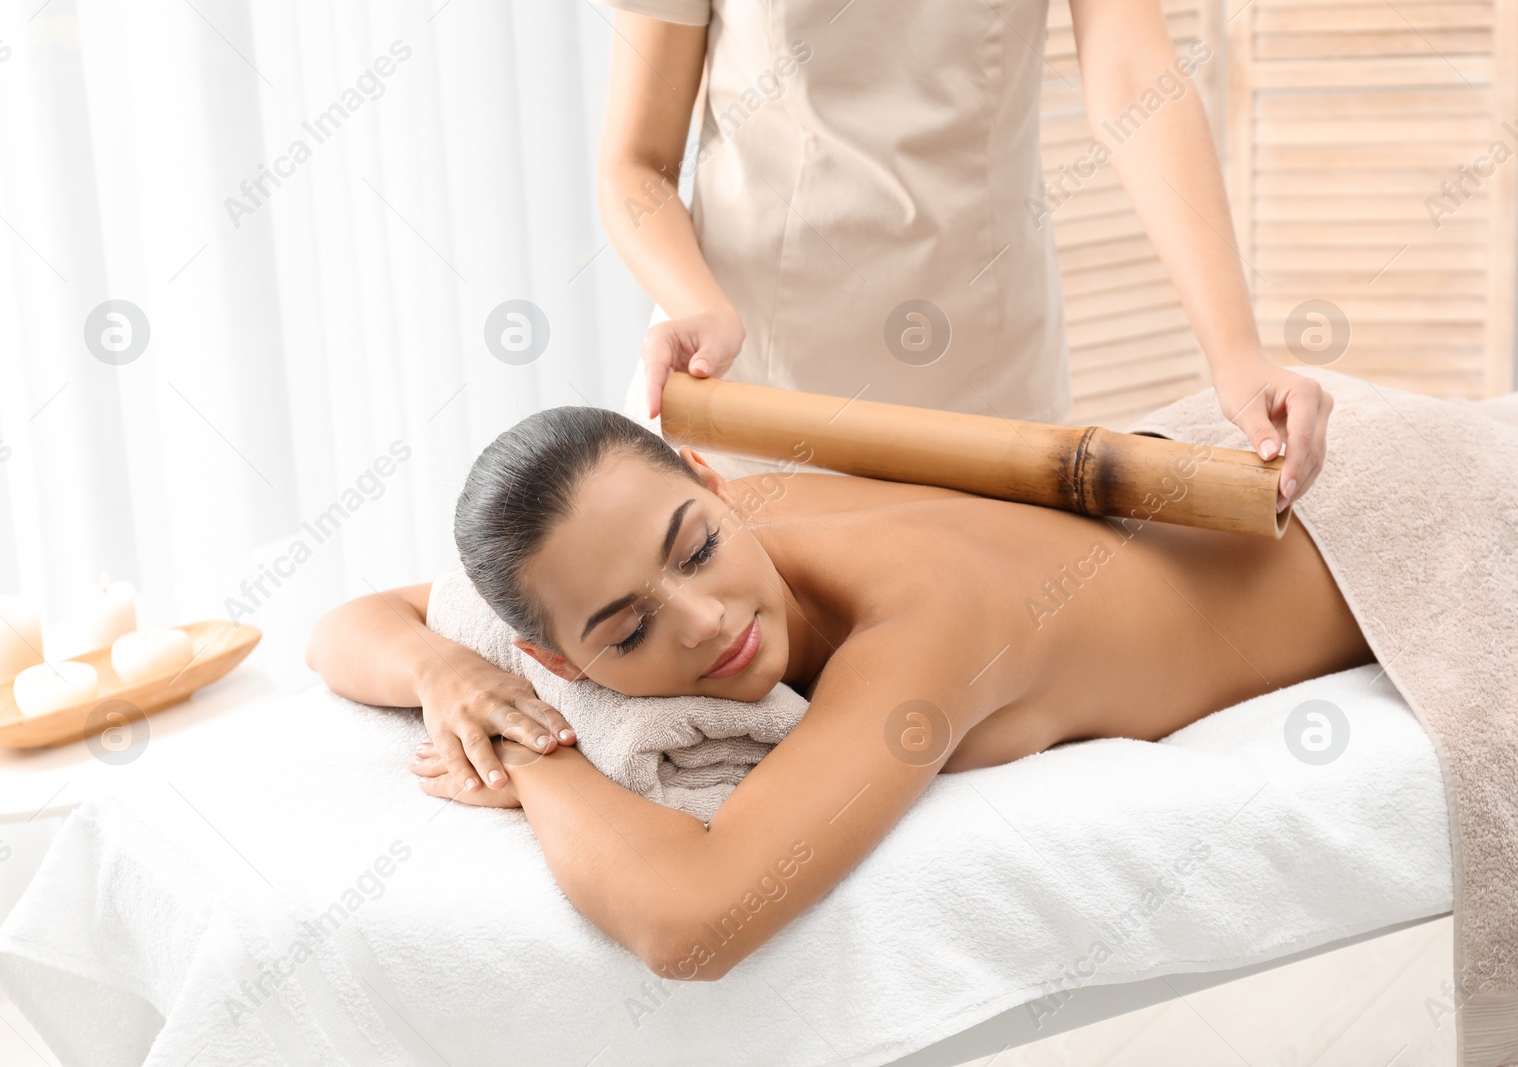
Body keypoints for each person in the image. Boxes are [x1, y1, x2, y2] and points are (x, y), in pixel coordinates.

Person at [305, 394, 1372, 978]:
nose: (706, 618)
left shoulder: (927, 620)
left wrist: (535, 758)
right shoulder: (620, 553)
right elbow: (347, 625)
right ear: (550, 655)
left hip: (1362, 525)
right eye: (630, 628)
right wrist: (445, 674)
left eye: (698, 545)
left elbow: (693, 924)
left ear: (713, 482)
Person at [593, 0, 1333, 505]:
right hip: (748, 391)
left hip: (984, 391)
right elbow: (635, 161)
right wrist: (698, 303)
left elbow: (1138, 82)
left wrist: (1235, 350)